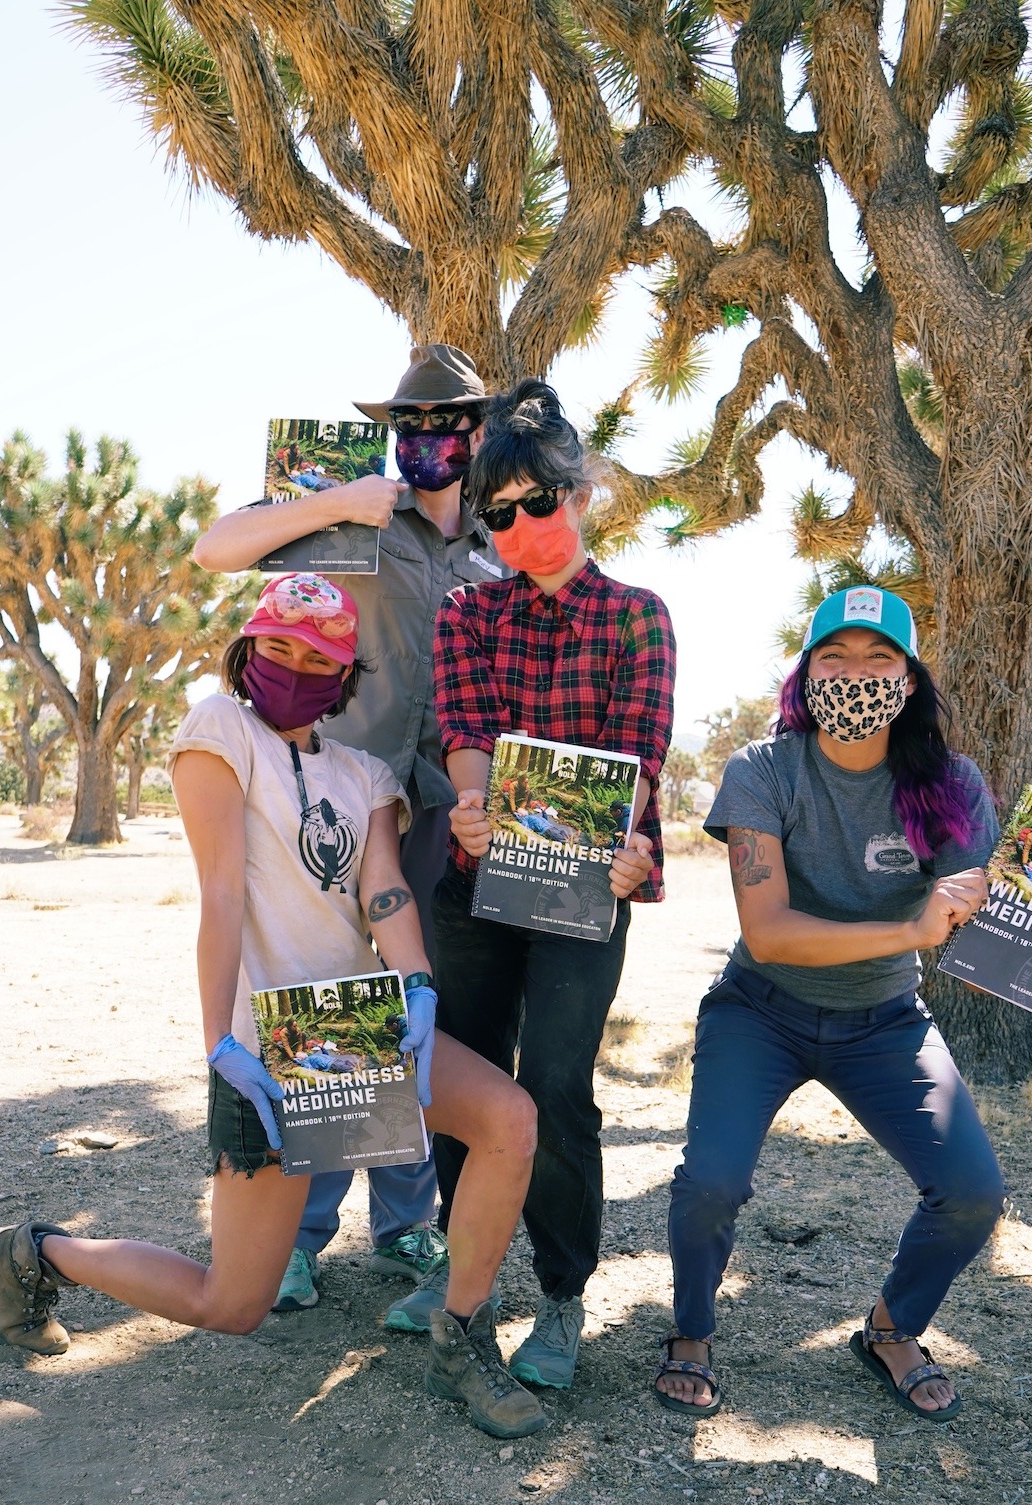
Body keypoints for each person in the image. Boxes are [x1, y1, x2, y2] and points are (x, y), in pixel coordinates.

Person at [0, 573, 544, 1439]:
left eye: (318, 654)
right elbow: (221, 893)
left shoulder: (367, 774)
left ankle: (459, 1336)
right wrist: (219, 1043)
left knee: (508, 1116)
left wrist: (418, 982)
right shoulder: (219, 730)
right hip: (271, 1045)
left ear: (346, 672)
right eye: (277, 645)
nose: (294, 664)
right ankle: (32, 1250)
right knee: (231, 1302)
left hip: (358, 1028)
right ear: (247, 647)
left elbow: (383, 889)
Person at [658, 585, 1032, 1422]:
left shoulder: (954, 785)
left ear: (908, 679)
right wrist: (909, 926)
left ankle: (892, 1329)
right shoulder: (762, 770)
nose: (855, 674)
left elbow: (1006, 922)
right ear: (805, 673)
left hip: (886, 1021)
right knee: (710, 1180)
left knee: (972, 1191)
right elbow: (772, 930)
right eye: (835, 657)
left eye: (879, 658)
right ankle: (691, 1331)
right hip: (761, 1007)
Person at [193, 345, 507, 1321]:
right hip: (338, 798)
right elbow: (217, 547)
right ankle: (300, 1231)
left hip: (448, 810)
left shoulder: (498, 551)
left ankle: (406, 1215)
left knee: (424, 998)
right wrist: (334, 505)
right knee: (329, 994)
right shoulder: (349, 508)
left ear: (478, 435)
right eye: (411, 422)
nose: (428, 440)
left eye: (446, 423)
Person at [430, 379, 676, 1390]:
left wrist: (631, 854)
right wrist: (473, 809)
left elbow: (638, 762)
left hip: (584, 897)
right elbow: (466, 735)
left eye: (541, 501)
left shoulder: (638, 619)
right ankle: (466, 1279)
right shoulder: (465, 612)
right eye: (500, 513)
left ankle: (564, 1293)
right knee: (470, 1081)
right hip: (480, 884)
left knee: (559, 1086)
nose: (523, 526)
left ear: (582, 494)